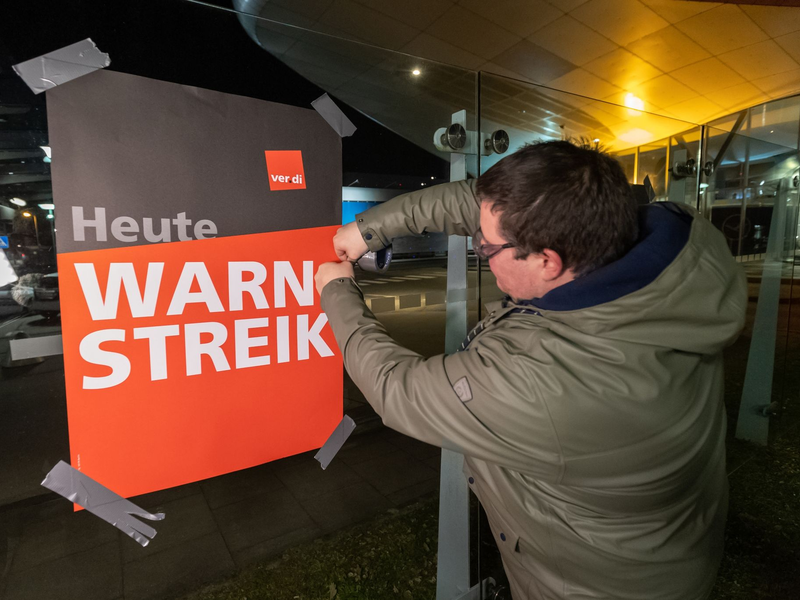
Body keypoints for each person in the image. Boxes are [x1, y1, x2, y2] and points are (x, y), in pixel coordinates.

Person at [314, 140, 747, 600]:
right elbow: (489, 206)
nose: (478, 246)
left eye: (487, 249)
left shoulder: (544, 382)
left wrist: (338, 290)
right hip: (670, 550)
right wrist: (371, 228)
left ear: (547, 260)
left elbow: (397, 391)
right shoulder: (673, 245)